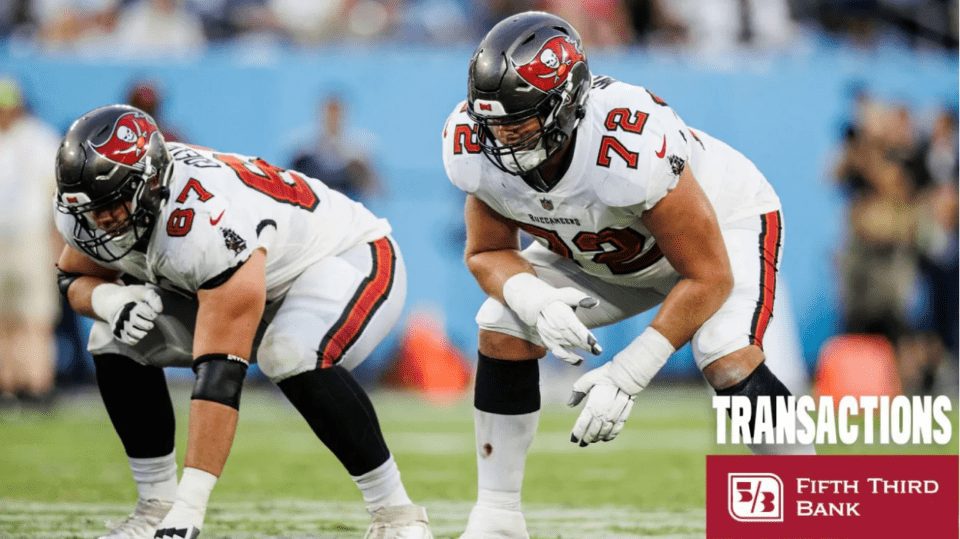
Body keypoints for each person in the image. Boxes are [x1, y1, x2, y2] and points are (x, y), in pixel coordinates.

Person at [441, 11, 814, 536]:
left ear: (566, 104)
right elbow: (486, 252)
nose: (503, 137)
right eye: (493, 123)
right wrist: (534, 300)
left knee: (726, 357)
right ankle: (498, 518)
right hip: (608, 254)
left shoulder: (626, 144)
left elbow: (707, 276)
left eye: (520, 120)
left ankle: (809, 507)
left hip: (721, 229)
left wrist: (628, 373)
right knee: (503, 322)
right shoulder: (475, 145)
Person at [54, 104, 431, 538]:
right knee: (110, 334)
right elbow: (73, 275)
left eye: (115, 203)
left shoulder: (203, 221)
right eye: (93, 208)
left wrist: (191, 510)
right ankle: (154, 507)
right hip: (254, 276)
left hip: (345, 256)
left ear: (151, 181)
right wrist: (108, 299)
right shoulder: (88, 209)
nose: (103, 221)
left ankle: (396, 513)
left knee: (288, 352)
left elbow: (220, 372)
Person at [0, 77, 61, 410]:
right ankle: (8, 385)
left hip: (30, 238)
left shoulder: (40, 141)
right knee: (5, 321)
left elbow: (55, 200)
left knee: (36, 318)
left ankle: (37, 384)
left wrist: (56, 247)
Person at [290, 94, 380, 202]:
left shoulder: (361, 148)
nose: (333, 119)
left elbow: (376, 189)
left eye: (337, 114)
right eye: (329, 114)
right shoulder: (301, 147)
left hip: (350, 204)